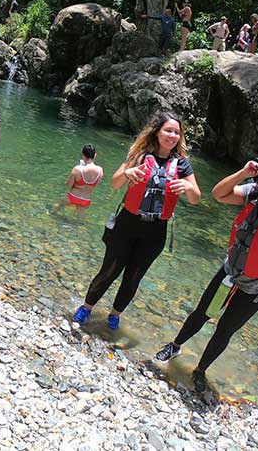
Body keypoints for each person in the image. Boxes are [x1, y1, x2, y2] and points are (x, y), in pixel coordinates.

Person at [155, 152, 258, 393]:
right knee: (202, 313)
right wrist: (243, 174)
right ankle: (175, 346)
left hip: (255, 287)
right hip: (231, 272)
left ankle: (200, 370)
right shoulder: (257, 191)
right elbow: (219, 194)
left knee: (225, 328)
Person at [73, 111, 201, 330]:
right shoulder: (139, 155)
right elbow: (114, 184)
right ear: (157, 131)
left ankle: (115, 314)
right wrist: (128, 173)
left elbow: (196, 198)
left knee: (134, 277)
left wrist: (188, 187)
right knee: (109, 271)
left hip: (156, 230)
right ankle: (87, 306)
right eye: (168, 130)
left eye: (177, 132)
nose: (172, 136)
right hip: (127, 223)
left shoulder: (181, 165)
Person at [60, 144, 103, 211]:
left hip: (73, 196)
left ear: (83, 155)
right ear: (95, 155)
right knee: (81, 219)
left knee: (57, 207)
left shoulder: (77, 169)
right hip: (86, 200)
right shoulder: (100, 170)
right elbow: (94, 186)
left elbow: (68, 185)